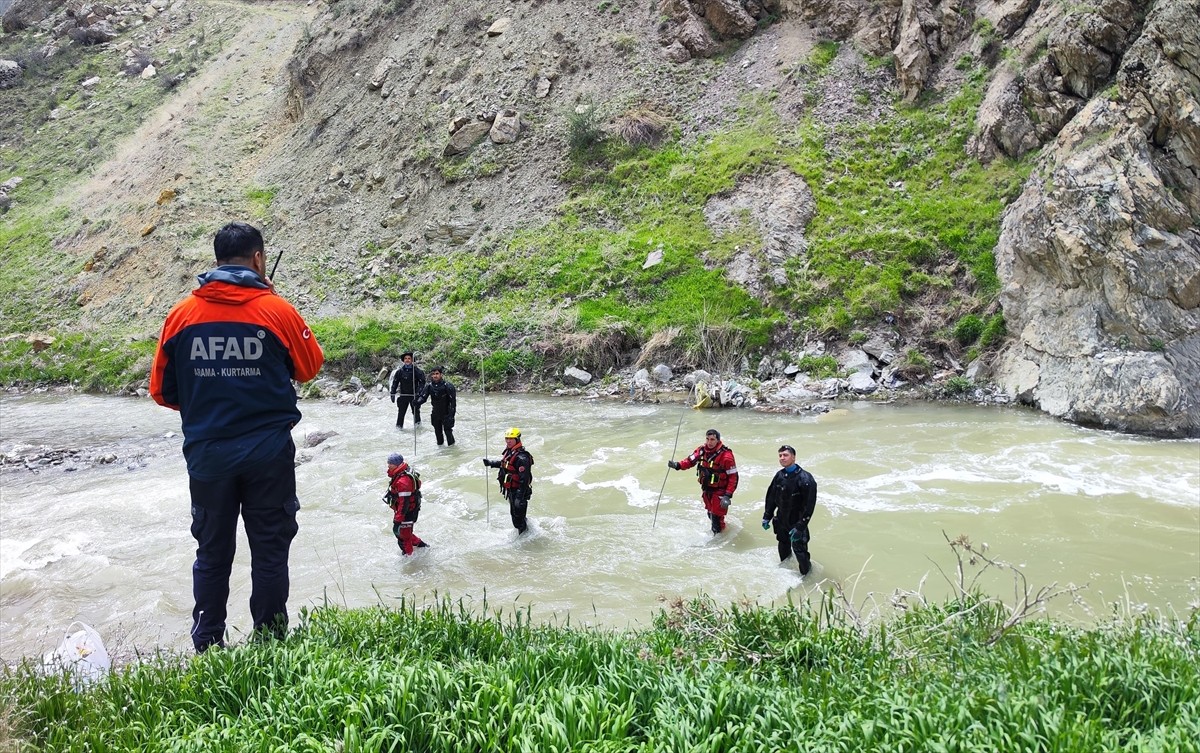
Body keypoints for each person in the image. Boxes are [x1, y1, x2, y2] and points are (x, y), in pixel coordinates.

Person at [149, 221, 324, 653]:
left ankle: (207, 645)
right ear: (259, 259)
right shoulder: (277, 311)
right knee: (269, 551)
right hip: (268, 457)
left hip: (207, 457)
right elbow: (309, 368)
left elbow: (162, 391)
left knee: (212, 553)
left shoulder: (181, 316)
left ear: (216, 260)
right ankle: (270, 643)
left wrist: (209, 402)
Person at [667, 428, 738, 534]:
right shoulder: (701, 450)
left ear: (718, 440)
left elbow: (734, 477)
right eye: (707, 439)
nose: (709, 442)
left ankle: (718, 540)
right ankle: (723, 529)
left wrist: (727, 495)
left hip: (719, 491)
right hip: (706, 489)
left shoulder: (726, 456)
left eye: (712, 439)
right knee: (710, 514)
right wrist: (678, 465)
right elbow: (690, 461)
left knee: (716, 519)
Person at [762, 444, 817, 575]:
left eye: (785, 455)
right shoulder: (779, 476)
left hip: (796, 521)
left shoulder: (806, 479)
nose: (782, 458)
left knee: (800, 551)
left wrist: (800, 527)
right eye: (780, 455)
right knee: (783, 545)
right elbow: (771, 497)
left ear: (794, 457)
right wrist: (767, 516)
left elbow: (809, 506)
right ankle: (785, 573)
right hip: (781, 520)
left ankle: (807, 576)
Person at [482, 427, 533, 534]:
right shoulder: (511, 452)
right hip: (511, 490)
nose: (508, 441)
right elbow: (505, 464)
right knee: (516, 516)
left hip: (519, 492)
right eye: (507, 438)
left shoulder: (522, 458)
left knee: (517, 520)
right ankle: (527, 531)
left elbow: (524, 480)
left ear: (517, 439)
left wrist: (519, 498)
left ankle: (525, 538)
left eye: (511, 438)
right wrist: (491, 463)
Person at [385, 452, 428, 554]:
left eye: (390, 463)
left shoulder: (403, 481)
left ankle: (409, 558)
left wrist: (398, 519)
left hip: (407, 512)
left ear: (397, 464)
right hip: (409, 509)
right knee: (404, 533)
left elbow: (404, 503)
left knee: (403, 537)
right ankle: (423, 546)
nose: (388, 465)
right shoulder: (403, 471)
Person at [421, 366, 457, 446]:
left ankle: (452, 450)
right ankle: (440, 451)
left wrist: (451, 415)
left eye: (437, 374)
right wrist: (417, 402)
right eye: (433, 374)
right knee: (438, 433)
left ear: (441, 375)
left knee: (448, 432)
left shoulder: (448, 386)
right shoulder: (429, 386)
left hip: (446, 413)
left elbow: (453, 403)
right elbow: (423, 398)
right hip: (435, 414)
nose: (435, 376)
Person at [389, 352, 425, 428]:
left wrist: (419, 393)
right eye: (406, 358)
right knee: (401, 414)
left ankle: (418, 429)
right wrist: (392, 393)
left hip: (414, 396)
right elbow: (395, 383)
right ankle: (399, 429)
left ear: (412, 360)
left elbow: (422, 383)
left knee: (416, 413)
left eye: (409, 358)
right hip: (403, 395)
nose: (407, 360)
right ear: (403, 360)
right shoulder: (399, 372)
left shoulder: (417, 371)